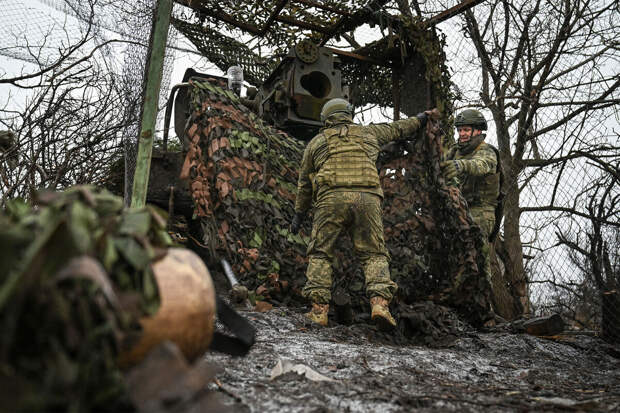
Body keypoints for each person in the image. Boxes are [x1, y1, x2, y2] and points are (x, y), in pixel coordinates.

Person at [290, 97, 432, 330]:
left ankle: (319, 312)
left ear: (326, 118)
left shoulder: (316, 143)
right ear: (349, 115)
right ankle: (379, 306)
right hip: (367, 198)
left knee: (321, 253)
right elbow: (398, 129)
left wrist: (298, 214)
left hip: (330, 199)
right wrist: (420, 119)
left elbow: (304, 184)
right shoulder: (369, 134)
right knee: (374, 253)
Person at [440, 109, 503, 285]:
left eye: (466, 130)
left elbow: (483, 165)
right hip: (457, 209)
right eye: (460, 130)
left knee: (478, 260)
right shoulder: (455, 151)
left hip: (480, 210)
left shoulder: (487, 151)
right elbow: (439, 163)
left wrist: (462, 166)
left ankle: (483, 302)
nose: (462, 134)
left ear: (477, 130)